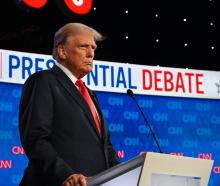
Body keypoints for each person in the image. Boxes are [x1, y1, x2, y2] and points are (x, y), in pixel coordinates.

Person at [19, 22, 120, 186]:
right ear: (62, 51)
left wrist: (122, 171)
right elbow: (36, 139)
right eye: (83, 46)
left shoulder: (89, 94)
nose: (91, 54)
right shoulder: (44, 81)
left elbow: (105, 147)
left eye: (93, 48)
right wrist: (65, 175)